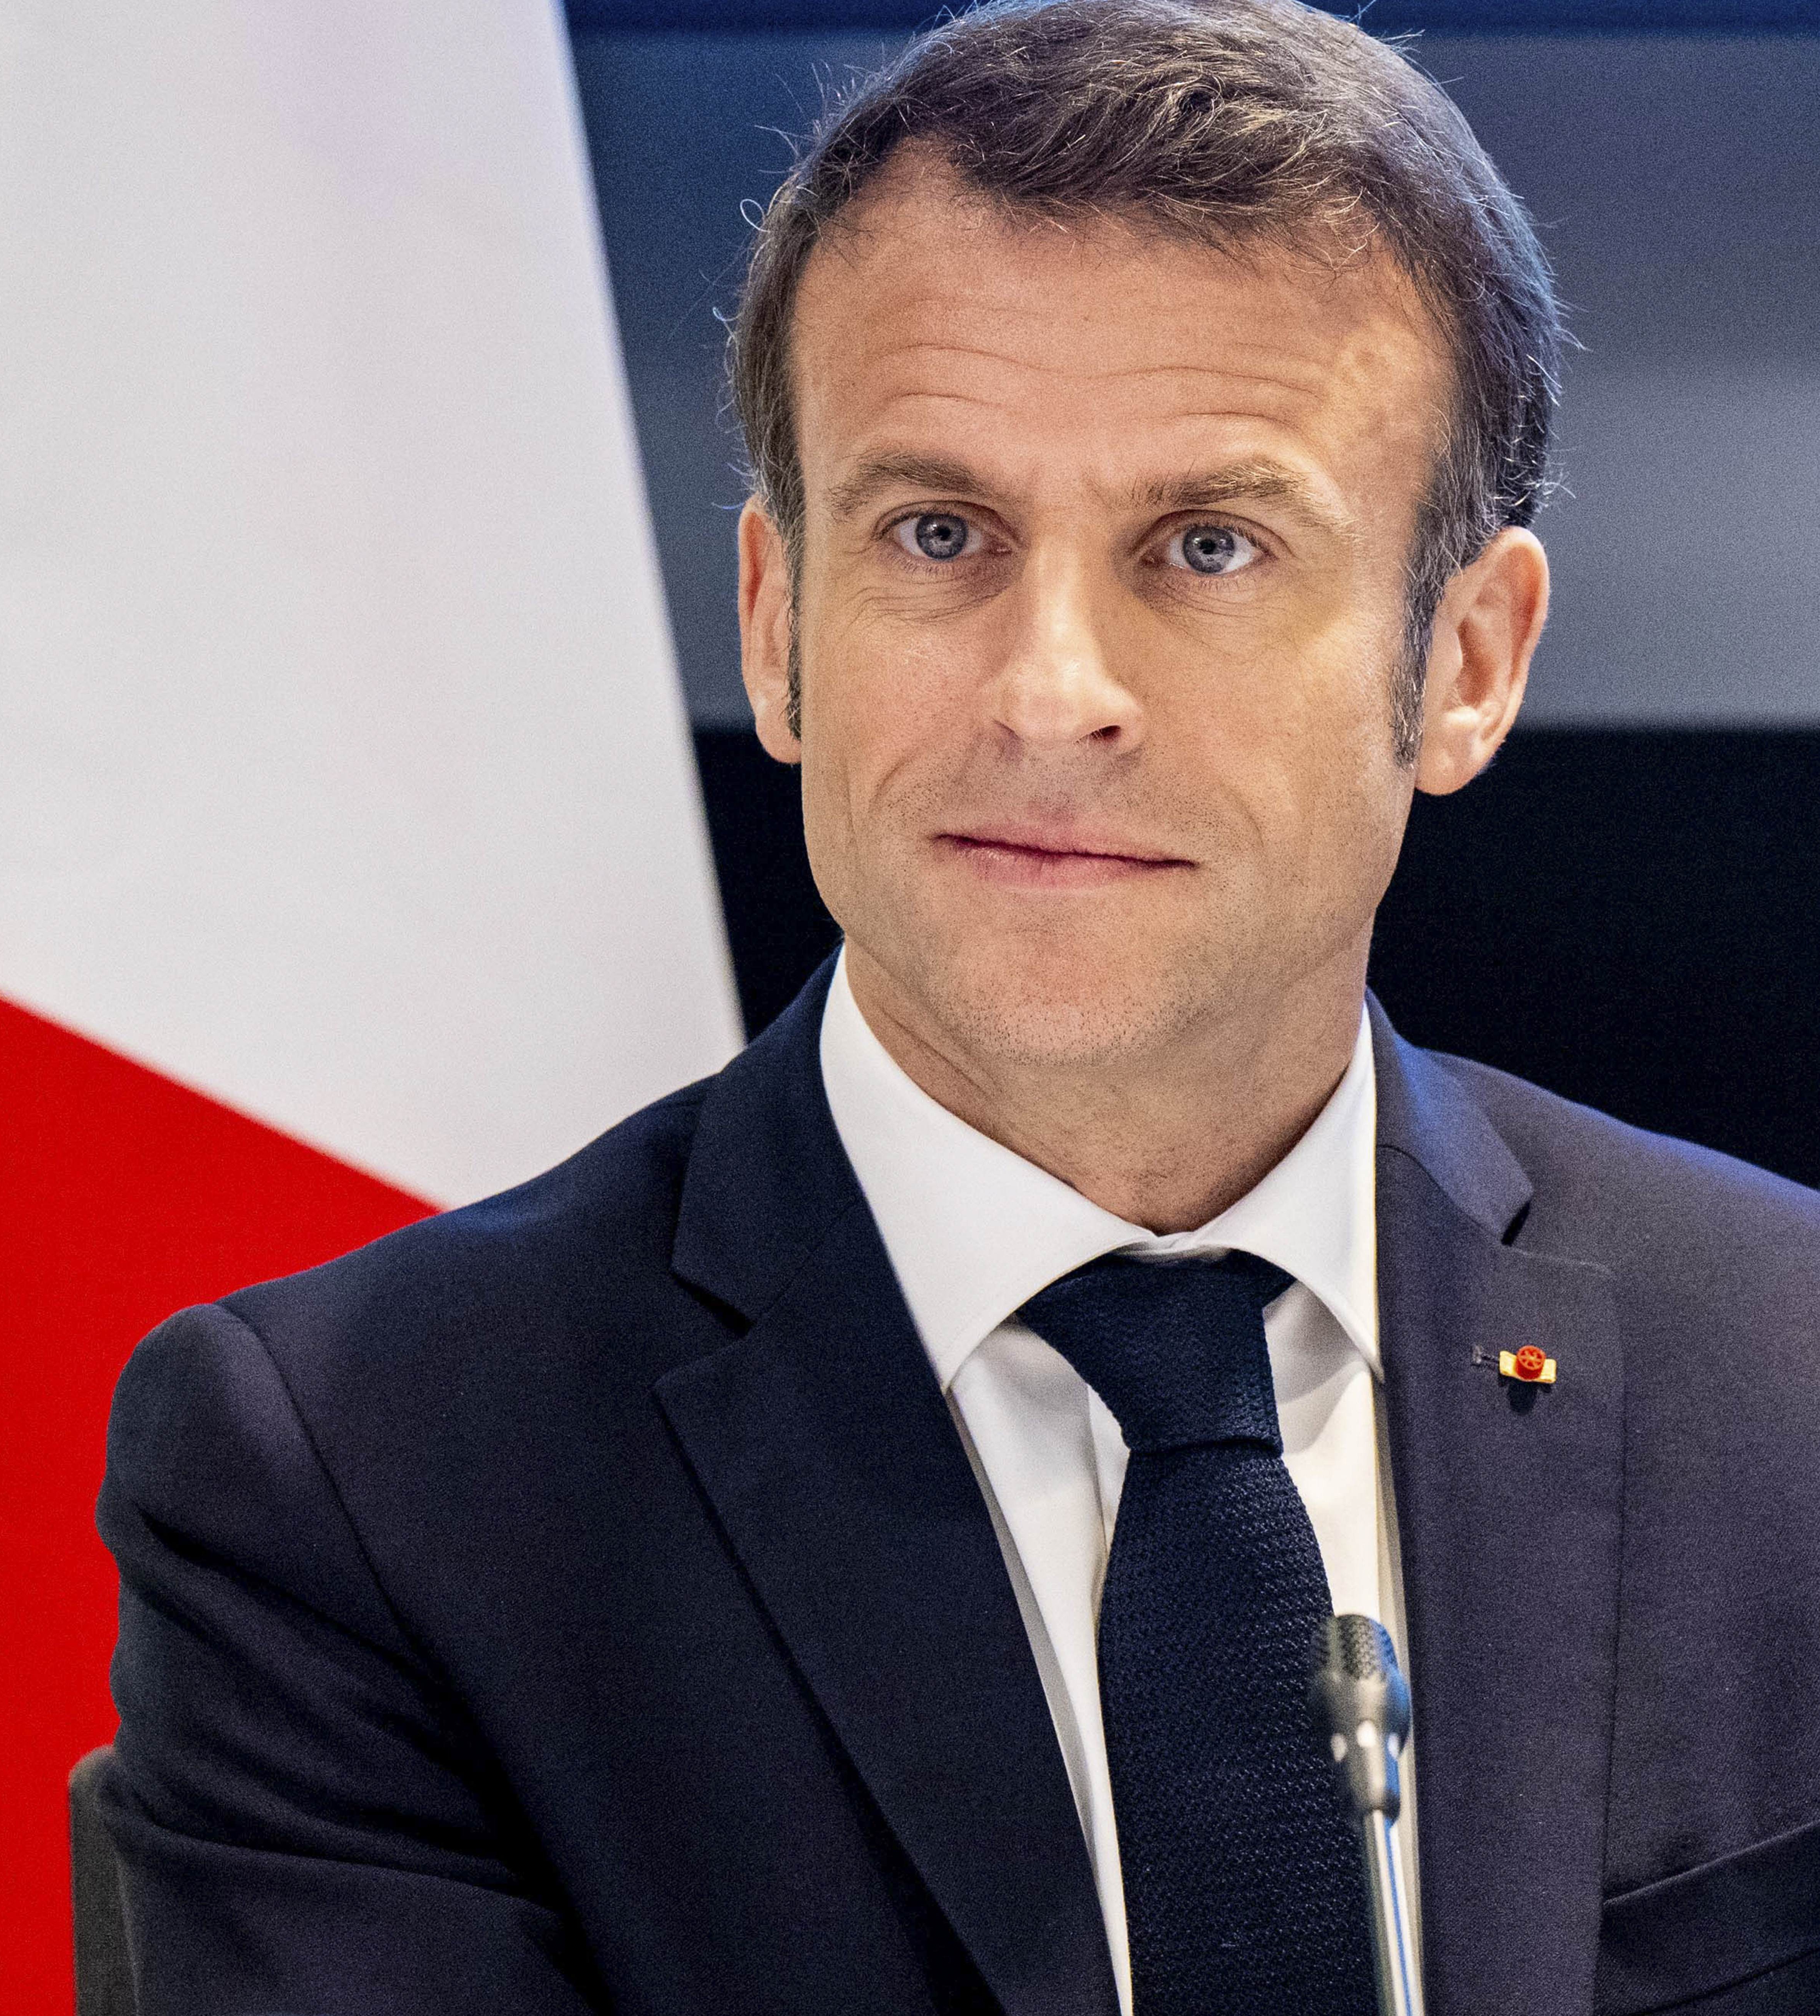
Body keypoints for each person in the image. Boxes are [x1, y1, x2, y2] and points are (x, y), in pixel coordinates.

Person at [92, 1, 1820, 2009]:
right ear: (777, 618)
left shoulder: (1782, 1391)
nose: (1044, 689)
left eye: (1206, 546)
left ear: (1464, 661)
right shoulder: (366, 1479)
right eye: (938, 536)